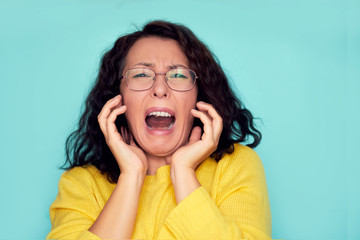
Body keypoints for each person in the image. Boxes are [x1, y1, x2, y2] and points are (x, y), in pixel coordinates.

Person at [46, 20, 271, 240]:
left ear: (198, 97)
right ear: (117, 98)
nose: (160, 89)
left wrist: (183, 172)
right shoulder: (82, 184)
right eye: (141, 74)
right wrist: (131, 176)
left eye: (178, 75)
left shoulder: (235, 166)